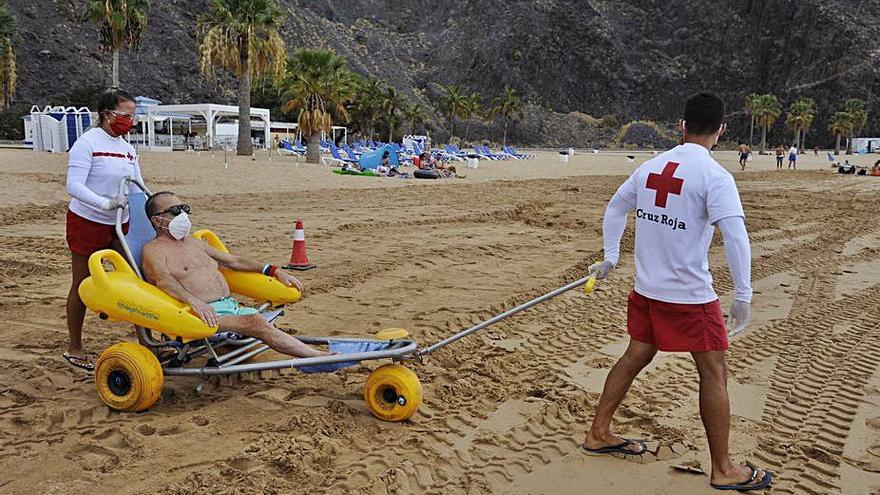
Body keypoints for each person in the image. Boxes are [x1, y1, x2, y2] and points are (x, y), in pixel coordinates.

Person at [582, 93, 772, 492]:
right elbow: (737, 238)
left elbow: (616, 207)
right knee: (714, 372)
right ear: (720, 131)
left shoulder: (652, 167)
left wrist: (612, 257)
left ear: (682, 126)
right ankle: (723, 468)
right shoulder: (715, 177)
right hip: (688, 296)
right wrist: (744, 295)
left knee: (636, 354)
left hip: (647, 290)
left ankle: (599, 431)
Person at [141, 192, 330, 359]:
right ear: (157, 220)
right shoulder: (154, 250)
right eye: (175, 211)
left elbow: (234, 261)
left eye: (184, 208)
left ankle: (306, 349)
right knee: (257, 322)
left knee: (263, 321)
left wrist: (274, 270)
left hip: (229, 307)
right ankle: (317, 357)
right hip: (199, 315)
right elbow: (162, 280)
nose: (182, 214)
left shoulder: (193, 243)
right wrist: (194, 302)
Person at [64, 88, 143, 371]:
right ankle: (75, 346)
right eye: (125, 115)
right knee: (82, 282)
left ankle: (145, 340)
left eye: (133, 116)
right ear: (107, 114)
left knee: (135, 278)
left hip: (120, 223)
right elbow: (73, 186)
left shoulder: (128, 148)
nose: (130, 121)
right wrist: (105, 203)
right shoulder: (87, 143)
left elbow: (138, 186)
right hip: (87, 221)